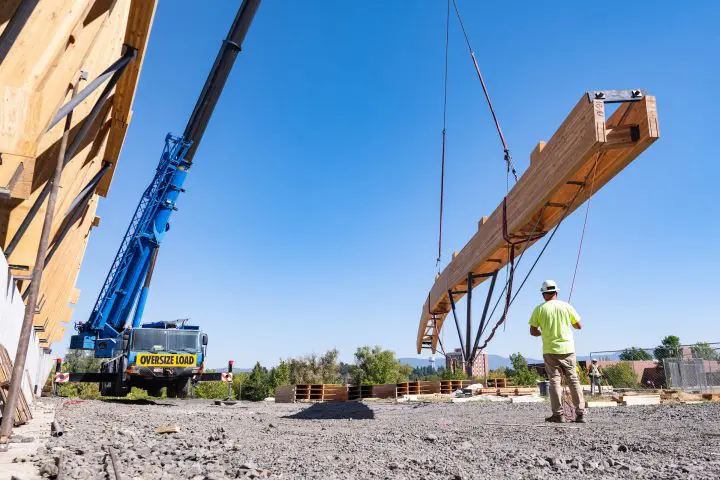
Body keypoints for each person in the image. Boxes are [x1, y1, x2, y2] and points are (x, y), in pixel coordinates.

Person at [529, 280, 586, 423]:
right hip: (568, 349)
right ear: (557, 292)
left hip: (550, 350)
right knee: (573, 380)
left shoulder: (539, 309)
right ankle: (580, 413)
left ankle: (558, 414)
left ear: (543, 294)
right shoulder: (566, 306)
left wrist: (542, 333)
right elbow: (579, 326)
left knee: (554, 381)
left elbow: (533, 331)